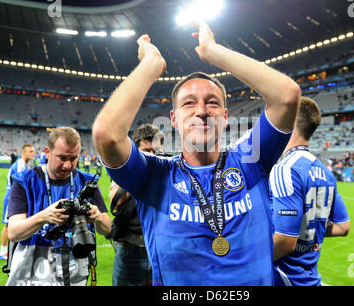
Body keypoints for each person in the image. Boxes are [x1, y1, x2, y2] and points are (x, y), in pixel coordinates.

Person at [92, 20, 300, 285]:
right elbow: (106, 135)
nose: (201, 111)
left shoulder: (250, 159)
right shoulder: (152, 175)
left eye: (212, 103)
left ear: (225, 117)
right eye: (189, 104)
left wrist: (213, 51)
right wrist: (151, 64)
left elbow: (287, 95)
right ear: (174, 118)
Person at [6, 127, 111, 286]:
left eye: (74, 158)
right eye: (62, 158)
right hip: (31, 275)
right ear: (47, 152)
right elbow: (13, 233)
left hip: (74, 274)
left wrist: (97, 218)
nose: (68, 165)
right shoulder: (24, 181)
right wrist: (43, 217)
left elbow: (108, 228)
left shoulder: (87, 182)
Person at [270, 97, 350, 286]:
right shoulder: (326, 172)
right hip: (309, 277)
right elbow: (343, 227)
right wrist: (309, 229)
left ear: (289, 123)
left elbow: (285, 240)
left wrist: (246, 263)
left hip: (284, 277)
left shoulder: (286, 168)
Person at [109, 123, 164, 286]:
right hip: (130, 249)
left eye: (156, 151)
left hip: (158, 249)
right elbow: (115, 202)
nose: (152, 155)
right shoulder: (124, 171)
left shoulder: (165, 170)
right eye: (147, 151)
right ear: (135, 152)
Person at [0, 144, 35, 260]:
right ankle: (3, 251)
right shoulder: (20, 165)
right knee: (8, 225)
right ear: (23, 152)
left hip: (15, 198)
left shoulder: (23, 164)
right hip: (12, 198)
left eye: (33, 151)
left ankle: (10, 250)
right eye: (30, 151)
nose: (32, 153)